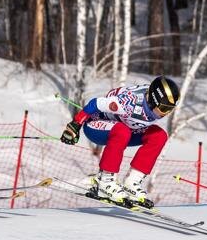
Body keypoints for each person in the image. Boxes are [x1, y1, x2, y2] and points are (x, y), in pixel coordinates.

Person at [60, 76, 180, 209]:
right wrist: (75, 125)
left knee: (159, 136)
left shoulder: (152, 104)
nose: (166, 113)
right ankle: (105, 182)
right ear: (153, 101)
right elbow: (95, 103)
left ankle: (131, 183)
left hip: (126, 129)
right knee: (122, 130)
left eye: (170, 109)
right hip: (96, 126)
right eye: (164, 108)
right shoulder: (128, 103)